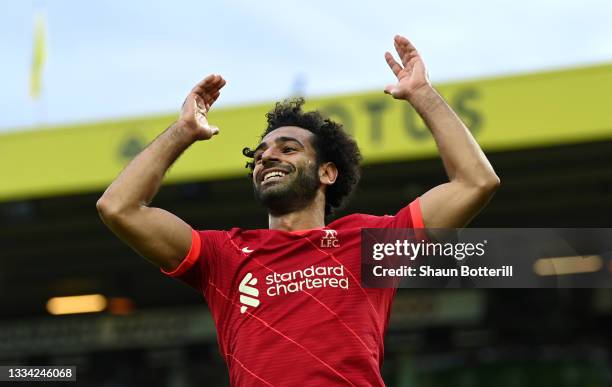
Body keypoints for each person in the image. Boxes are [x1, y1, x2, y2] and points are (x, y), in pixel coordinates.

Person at [97, 35, 499, 386]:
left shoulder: (370, 245)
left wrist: (423, 94)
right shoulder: (223, 257)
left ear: (327, 171)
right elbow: (119, 207)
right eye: (260, 154)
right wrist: (182, 130)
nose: (267, 157)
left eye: (288, 149)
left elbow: (475, 182)